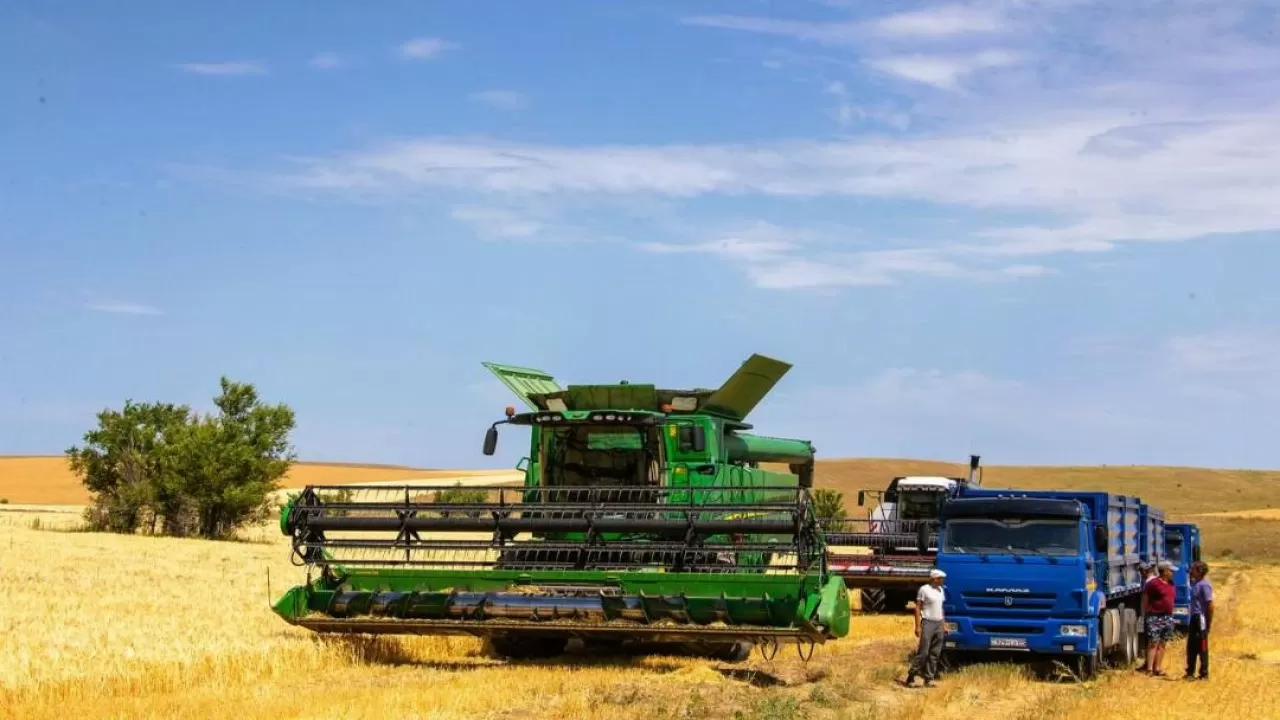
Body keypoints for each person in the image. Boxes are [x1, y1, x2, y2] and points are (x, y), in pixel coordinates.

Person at [901, 568, 947, 688]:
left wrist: (944, 624)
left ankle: (929, 678)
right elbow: (917, 608)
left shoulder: (941, 590)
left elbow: (941, 608)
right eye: (941, 579)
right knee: (923, 652)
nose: (942, 581)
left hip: (938, 623)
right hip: (928, 622)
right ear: (934, 579)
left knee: (935, 653)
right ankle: (911, 676)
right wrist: (917, 626)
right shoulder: (924, 589)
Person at [1143, 562, 1177, 676]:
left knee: (1163, 643)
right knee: (1153, 642)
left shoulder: (1171, 583)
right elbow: (1145, 598)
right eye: (1171, 571)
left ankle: (1158, 668)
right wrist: (1147, 613)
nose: (1173, 573)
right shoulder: (1153, 584)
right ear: (1165, 571)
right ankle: (1149, 669)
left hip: (1168, 617)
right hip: (1155, 617)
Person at [1185, 560, 1213, 680]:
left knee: (1202, 645)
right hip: (1193, 617)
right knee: (1191, 645)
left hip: (1200, 618)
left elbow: (1210, 605)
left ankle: (1204, 673)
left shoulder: (1204, 585)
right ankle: (1190, 671)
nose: (1190, 571)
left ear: (1199, 571)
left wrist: (1208, 623)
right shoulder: (1195, 584)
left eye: (1193, 569)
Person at [1136, 562, 1155, 671]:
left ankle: (1149, 665)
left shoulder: (1149, 583)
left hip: (1150, 614)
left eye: (1141, 572)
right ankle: (1150, 664)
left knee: (1150, 640)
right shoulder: (1154, 581)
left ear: (1144, 571)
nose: (1140, 574)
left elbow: (1145, 600)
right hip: (1152, 614)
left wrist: (1144, 615)